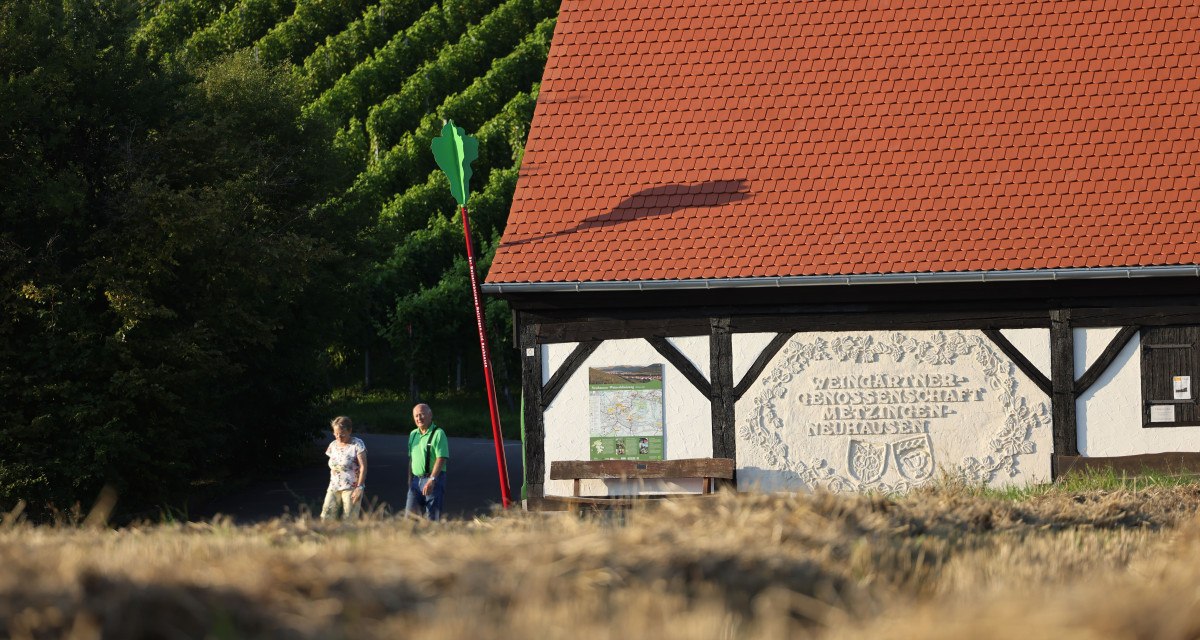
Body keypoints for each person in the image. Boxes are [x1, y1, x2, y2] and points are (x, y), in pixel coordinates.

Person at [406, 403, 449, 520]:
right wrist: (410, 482)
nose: (419, 418)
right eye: (416, 416)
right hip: (415, 481)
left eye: (422, 414)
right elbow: (412, 459)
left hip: (433, 480)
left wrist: (432, 479)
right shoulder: (413, 434)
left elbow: (442, 458)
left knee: (432, 518)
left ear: (430, 415)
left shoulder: (439, 433)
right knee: (410, 518)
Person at [321, 416, 367, 521]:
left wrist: (359, 487)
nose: (338, 437)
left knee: (349, 519)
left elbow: (363, 467)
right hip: (334, 486)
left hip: (352, 487)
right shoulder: (333, 445)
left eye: (342, 434)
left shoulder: (357, 444)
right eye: (335, 434)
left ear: (350, 431)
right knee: (326, 517)